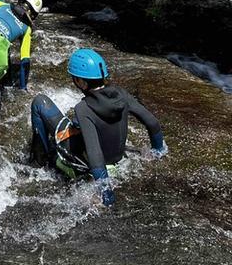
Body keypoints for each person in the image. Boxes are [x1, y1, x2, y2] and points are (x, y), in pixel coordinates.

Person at [29, 48, 168, 206]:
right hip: (118, 159)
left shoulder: (83, 108)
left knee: (40, 101)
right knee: (75, 124)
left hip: (95, 167)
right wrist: (158, 153)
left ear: (82, 82)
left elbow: (94, 152)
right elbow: (152, 122)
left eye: (74, 78)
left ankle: (40, 160)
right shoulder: (121, 94)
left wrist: (107, 196)